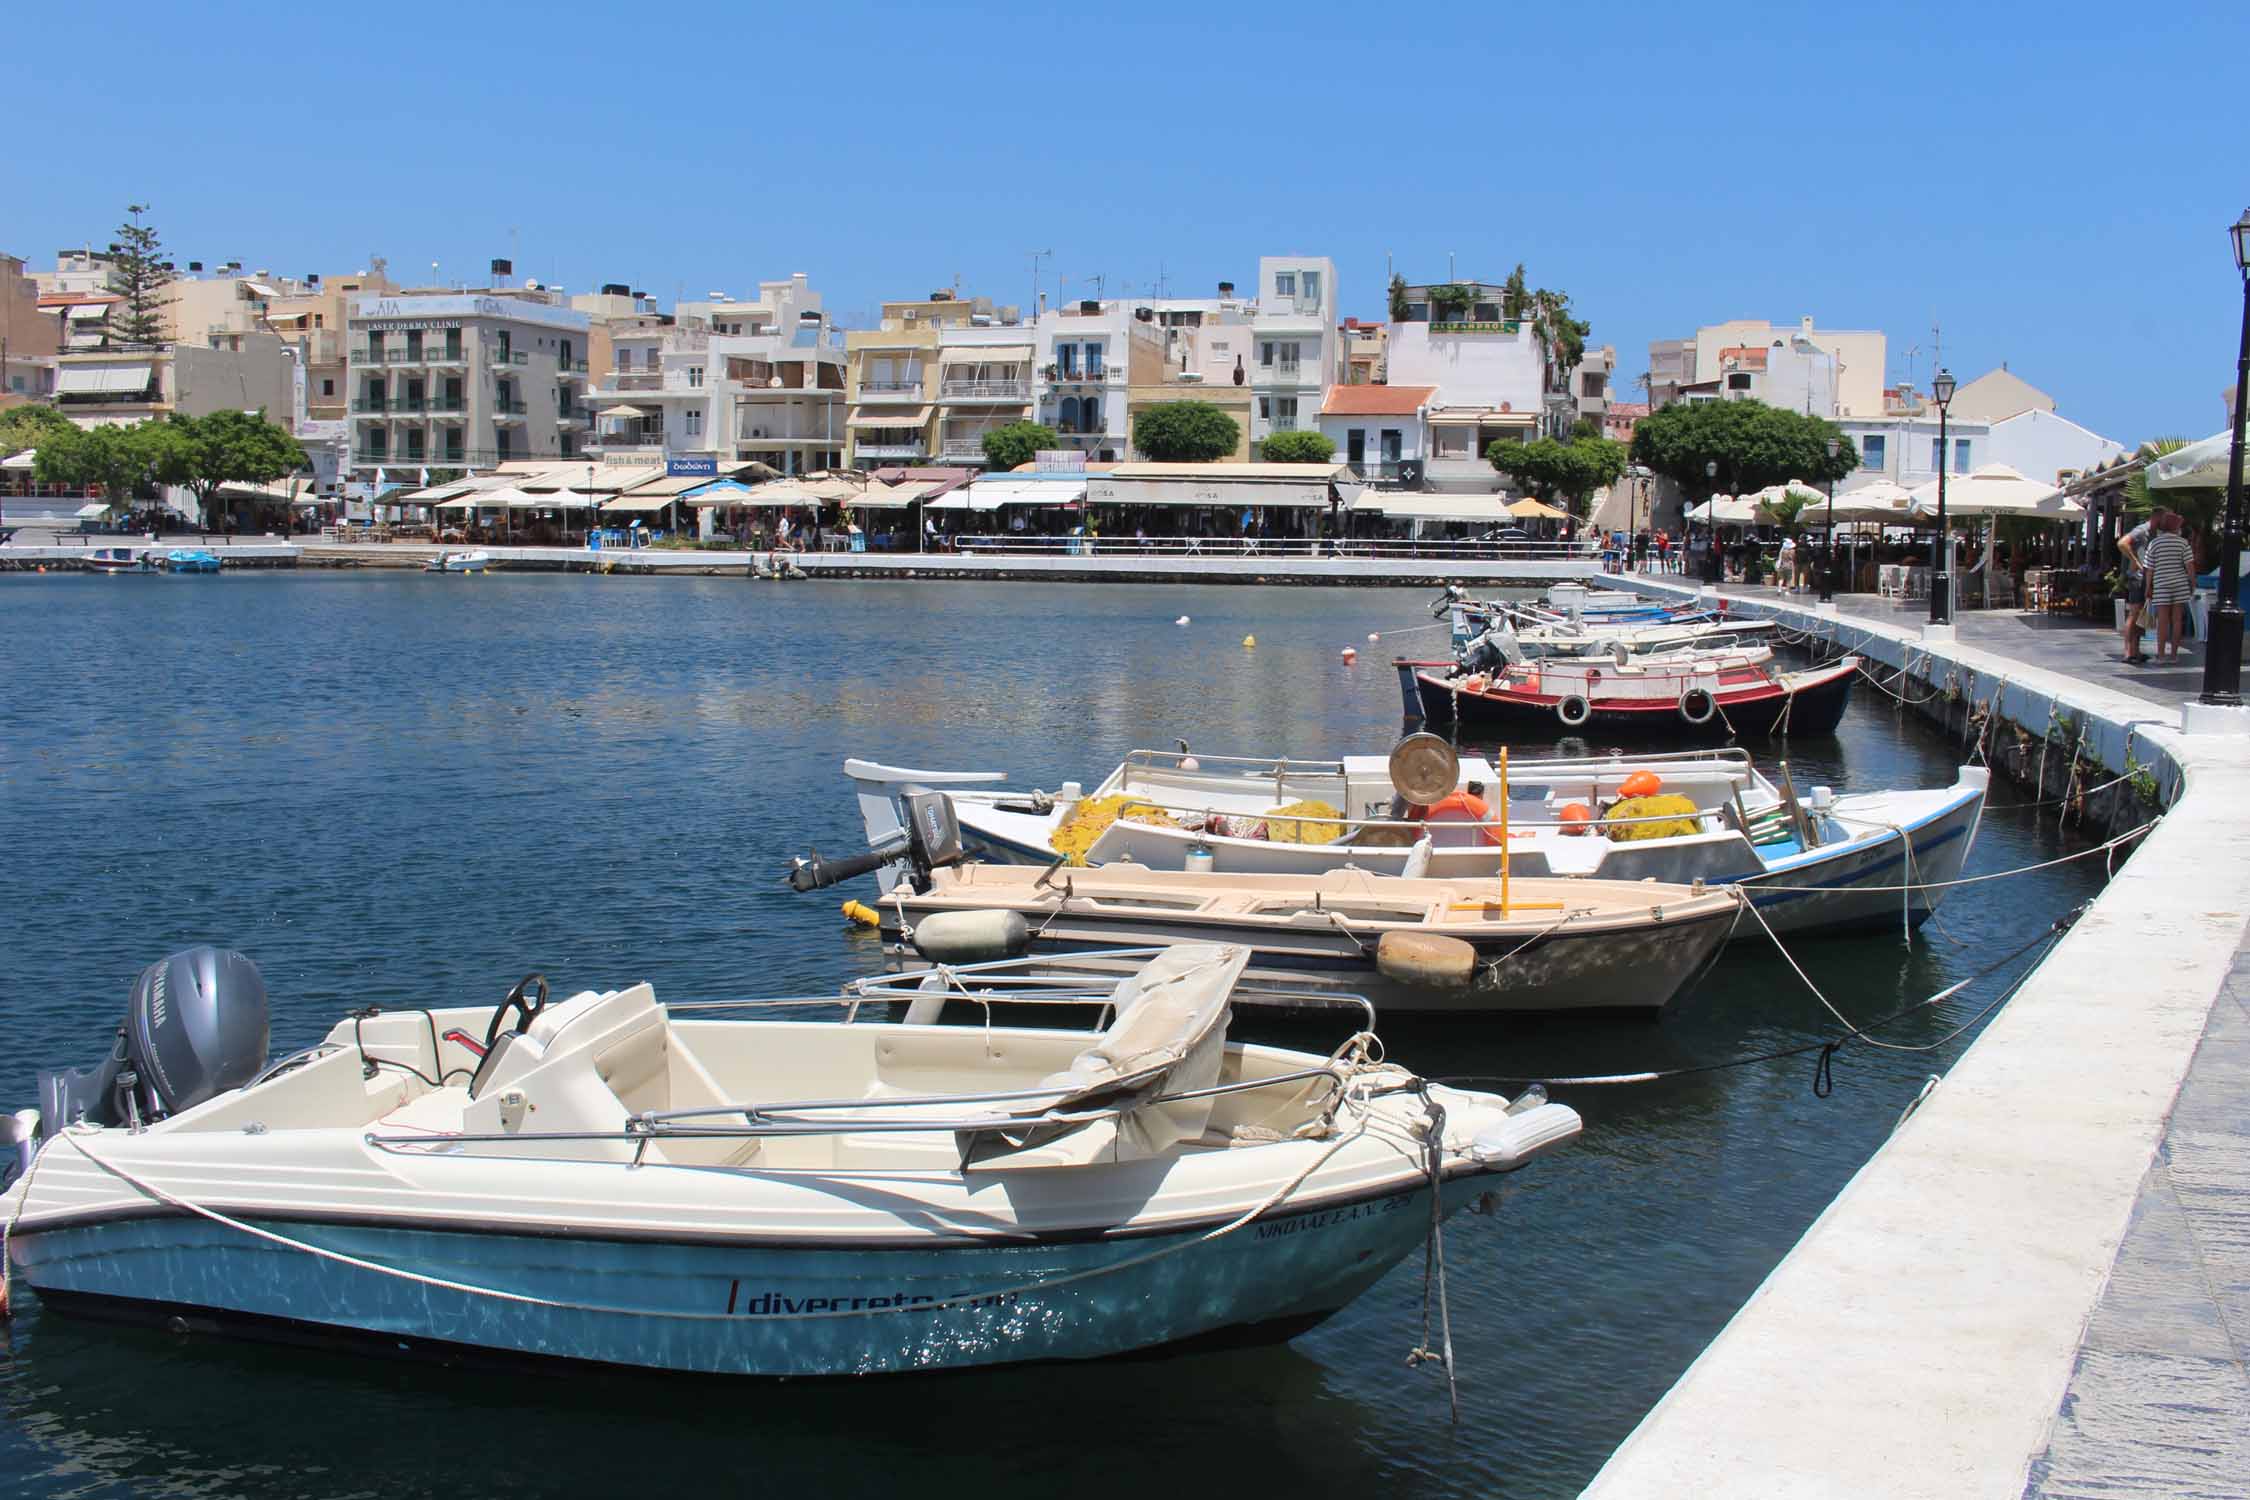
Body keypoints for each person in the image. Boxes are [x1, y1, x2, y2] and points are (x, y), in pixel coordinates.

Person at [2142, 510, 2197, 664]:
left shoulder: (2154, 543)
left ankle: (2160, 655)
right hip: (2180, 584)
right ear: (2176, 527)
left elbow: (2150, 568)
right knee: (2177, 620)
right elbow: (2190, 566)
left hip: (2161, 584)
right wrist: (2192, 583)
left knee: (2163, 621)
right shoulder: (2183, 543)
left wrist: (2148, 587)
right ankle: (2173, 655)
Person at [2118, 510, 2160, 664]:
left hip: (2145, 579)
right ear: (2157, 517)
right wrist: (2135, 560)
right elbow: (2122, 543)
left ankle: (2136, 650)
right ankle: (2128, 652)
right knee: (2134, 613)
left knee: (2141, 615)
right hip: (2137, 578)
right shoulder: (2142, 530)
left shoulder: (2154, 532)